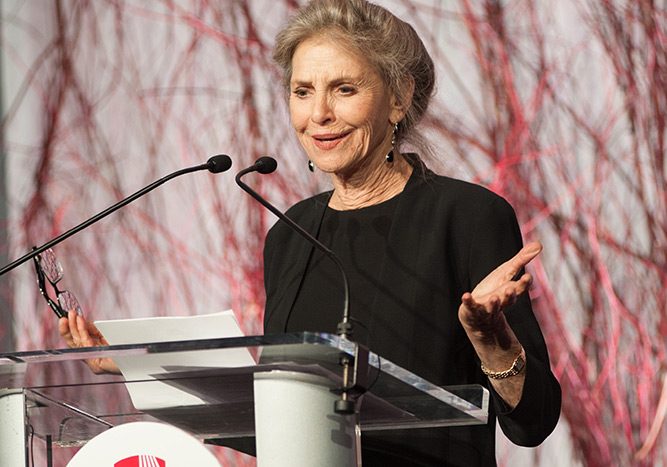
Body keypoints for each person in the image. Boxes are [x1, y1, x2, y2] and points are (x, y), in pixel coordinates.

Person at [60, 0, 561, 464]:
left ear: (399, 96)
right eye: (302, 92)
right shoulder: (291, 233)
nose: (318, 114)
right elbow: (279, 419)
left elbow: (534, 420)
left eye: (343, 89)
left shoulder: (469, 217)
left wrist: (491, 341)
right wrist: (143, 363)